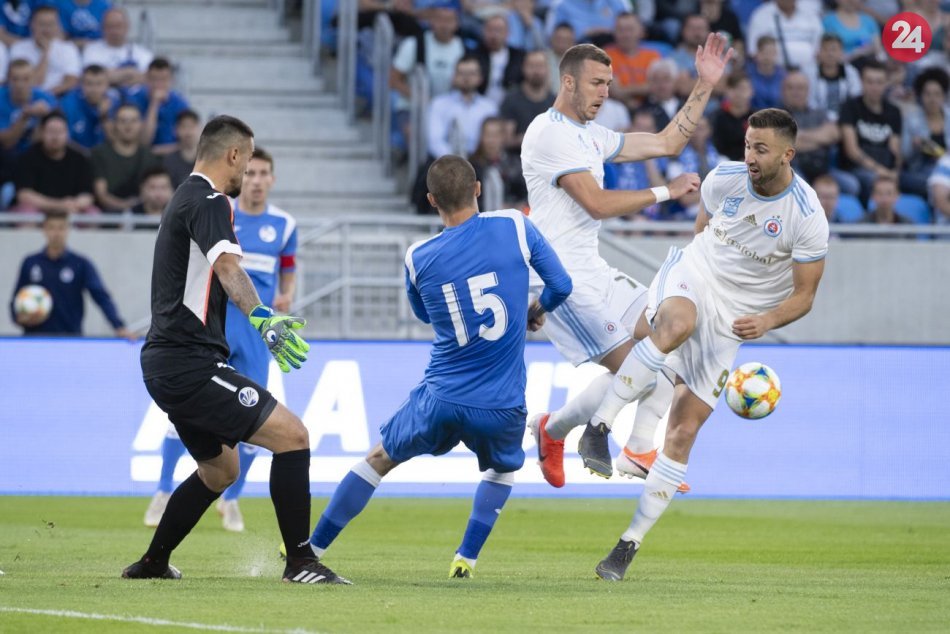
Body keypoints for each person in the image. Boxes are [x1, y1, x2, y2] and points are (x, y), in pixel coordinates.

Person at [305, 155, 572, 581]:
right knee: (501, 468)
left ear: (431, 200)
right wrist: (533, 310)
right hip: (501, 403)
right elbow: (562, 285)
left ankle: (310, 550)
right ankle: (466, 558)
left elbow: (426, 315)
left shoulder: (418, 256)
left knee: (379, 457)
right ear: (478, 189)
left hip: (442, 396)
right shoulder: (516, 226)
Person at [593, 108, 828, 581]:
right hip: (695, 274)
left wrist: (766, 319)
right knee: (673, 324)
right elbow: (702, 229)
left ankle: (627, 546)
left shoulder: (806, 217)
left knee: (682, 433)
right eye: (747, 145)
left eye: (761, 149)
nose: (750, 157)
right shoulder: (725, 177)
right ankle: (598, 428)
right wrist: (695, 283)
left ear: (788, 154)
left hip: (734, 321)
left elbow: (804, 297)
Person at [122, 115, 345, 584]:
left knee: (221, 469)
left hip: (167, 362)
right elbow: (226, 266)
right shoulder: (210, 200)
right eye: (248, 160)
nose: (248, 174)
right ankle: (301, 562)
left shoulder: (184, 198)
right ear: (234, 155)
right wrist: (264, 319)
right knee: (293, 436)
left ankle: (152, 563)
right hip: (188, 362)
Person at [520, 36, 732, 488]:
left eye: (610, 84)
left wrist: (704, 83)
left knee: (675, 340)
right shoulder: (549, 132)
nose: (605, 92)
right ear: (568, 81)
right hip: (559, 283)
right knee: (644, 372)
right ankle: (620, 444)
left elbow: (667, 142)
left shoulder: (592, 135)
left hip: (594, 271)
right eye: (596, 83)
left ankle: (562, 431)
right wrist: (665, 192)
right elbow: (595, 203)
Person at [144, 148, 299, 532]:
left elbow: (288, 269)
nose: (256, 179)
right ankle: (162, 491)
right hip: (219, 326)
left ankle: (231, 500)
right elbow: (223, 272)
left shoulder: (284, 224)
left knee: (254, 422)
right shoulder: (217, 209)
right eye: (251, 171)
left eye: (264, 172)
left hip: (254, 334)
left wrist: (284, 299)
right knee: (187, 417)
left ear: (273, 179)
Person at [10, 211, 132, 336]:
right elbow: (17, 297)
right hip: (35, 338)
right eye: (51, 228)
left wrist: (119, 326)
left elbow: (100, 296)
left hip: (69, 339)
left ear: (68, 229)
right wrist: (18, 317)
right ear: (44, 230)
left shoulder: (80, 263)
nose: (56, 233)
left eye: (61, 228)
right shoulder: (30, 262)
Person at [839, 60, 902, 203]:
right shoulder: (850, 107)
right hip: (856, 168)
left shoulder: (894, 111)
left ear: (886, 83)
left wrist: (894, 172)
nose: (874, 87)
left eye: (879, 82)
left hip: (885, 168)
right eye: (870, 82)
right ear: (862, 82)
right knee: (875, 181)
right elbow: (852, 150)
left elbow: (895, 149)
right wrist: (880, 171)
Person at [13, 110, 97, 216]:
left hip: (71, 209)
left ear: (67, 133)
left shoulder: (79, 159)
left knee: (92, 214)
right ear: (42, 132)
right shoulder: (28, 157)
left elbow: (87, 194)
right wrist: (58, 205)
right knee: (27, 213)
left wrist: (75, 204)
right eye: (51, 131)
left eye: (60, 132)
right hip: (39, 208)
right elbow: (24, 195)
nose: (55, 137)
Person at [91, 103, 161, 212]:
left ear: (141, 124)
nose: (128, 126)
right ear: (114, 124)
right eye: (123, 121)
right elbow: (101, 194)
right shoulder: (99, 154)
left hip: (143, 215)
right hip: (107, 215)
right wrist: (126, 206)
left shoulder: (149, 156)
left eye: (133, 121)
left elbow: (154, 190)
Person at [426, 56, 497, 159]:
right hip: (447, 163)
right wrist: (458, 162)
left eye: (472, 74)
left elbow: (493, 140)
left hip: (481, 162)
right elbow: (434, 141)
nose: (466, 78)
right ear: (454, 77)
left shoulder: (490, 107)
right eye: (461, 73)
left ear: (480, 78)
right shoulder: (438, 104)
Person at [9, 5, 81, 96]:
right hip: (27, 98)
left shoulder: (68, 48)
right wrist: (45, 53)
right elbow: (31, 83)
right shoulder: (19, 48)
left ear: (57, 26)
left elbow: (71, 81)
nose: (46, 29)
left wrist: (48, 97)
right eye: (42, 24)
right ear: (32, 24)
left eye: (51, 24)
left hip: (59, 98)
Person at [126, 57, 191, 153]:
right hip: (140, 156)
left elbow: (187, 142)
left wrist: (157, 151)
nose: (158, 85)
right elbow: (143, 142)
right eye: (154, 79)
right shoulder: (134, 100)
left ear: (171, 80)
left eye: (164, 80)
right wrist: (154, 104)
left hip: (171, 154)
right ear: (146, 79)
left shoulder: (180, 103)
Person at [81, 7, 153, 90]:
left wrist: (111, 75)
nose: (114, 31)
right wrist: (129, 72)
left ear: (127, 27)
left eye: (118, 26)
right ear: (102, 28)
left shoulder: (142, 53)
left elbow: (150, 78)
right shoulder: (91, 50)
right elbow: (93, 78)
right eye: (110, 26)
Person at [499, 50, 555, 153]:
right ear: (523, 68)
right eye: (531, 66)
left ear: (547, 69)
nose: (536, 71)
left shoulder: (555, 102)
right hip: (517, 161)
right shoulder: (511, 99)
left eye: (540, 66)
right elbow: (506, 140)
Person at [0, 59, 57, 158]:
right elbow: (7, 143)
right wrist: (24, 116)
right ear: (8, 80)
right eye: (15, 79)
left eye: (26, 79)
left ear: (33, 80)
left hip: (36, 158)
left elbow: (55, 141)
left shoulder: (47, 99)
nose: (20, 84)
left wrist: (44, 118)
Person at [604, 13, 660, 110]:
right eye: (621, 30)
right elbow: (615, 91)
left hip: (651, 108)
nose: (626, 35)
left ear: (641, 32)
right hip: (617, 108)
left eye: (630, 29)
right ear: (614, 33)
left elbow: (657, 86)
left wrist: (624, 89)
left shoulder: (653, 56)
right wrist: (642, 88)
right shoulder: (604, 55)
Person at [467, 14, 525, 105]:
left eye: (499, 30)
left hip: (510, 107)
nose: (494, 35)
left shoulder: (518, 56)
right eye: (490, 30)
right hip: (478, 105)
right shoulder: (473, 55)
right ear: (483, 31)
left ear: (508, 33)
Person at [58, 63, 116, 149]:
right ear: (81, 84)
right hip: (77, 157)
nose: (94, 89)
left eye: (99, 84)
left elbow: (118, 143)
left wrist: (104, 117)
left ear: (107, 85)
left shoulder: (116, 102)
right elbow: (64, 141)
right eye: (89, 84)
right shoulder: (68, 104)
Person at [711, 72, 753, 161]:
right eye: (734, 88)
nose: (739, 93)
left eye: (743, 89)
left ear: (751, 91)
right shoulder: (717, 117)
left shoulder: (758, 118)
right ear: (727, 91)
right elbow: (716, 147)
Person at [162, 109, 200, 188]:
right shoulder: (169, 161)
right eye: (183, 127)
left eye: (192, 126)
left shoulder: (208, 159)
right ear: (175, 130)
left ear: (200, 129)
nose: (188, 132)